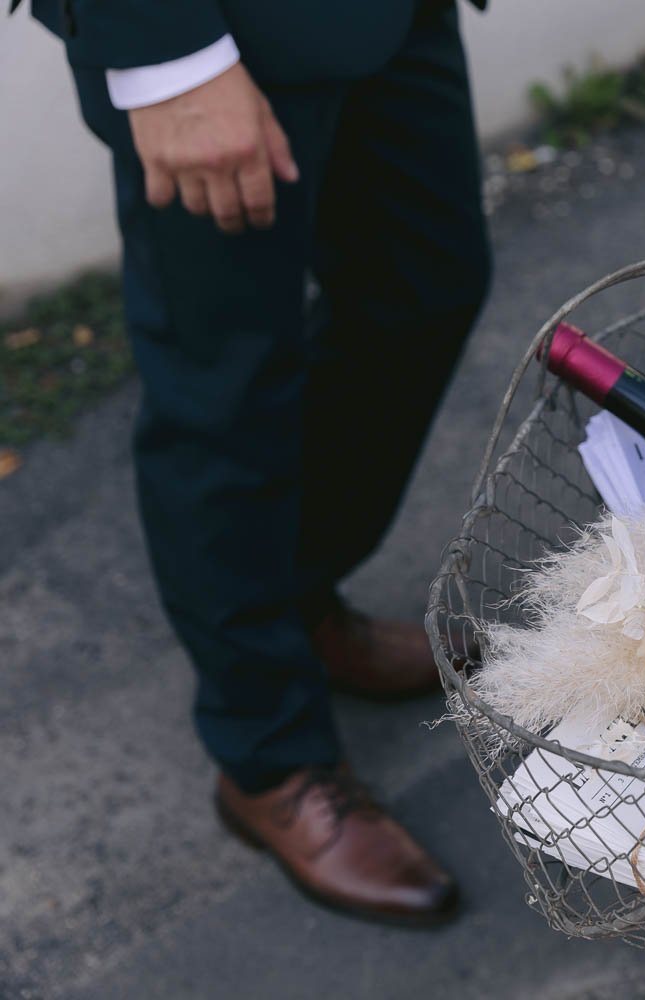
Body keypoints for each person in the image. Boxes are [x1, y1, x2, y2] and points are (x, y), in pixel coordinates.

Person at [20, 0, 492, 925]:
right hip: (205, 35)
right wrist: (167, 57)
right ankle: (266, 749)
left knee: (423, 287)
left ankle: (294, 601)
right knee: (225, 387)